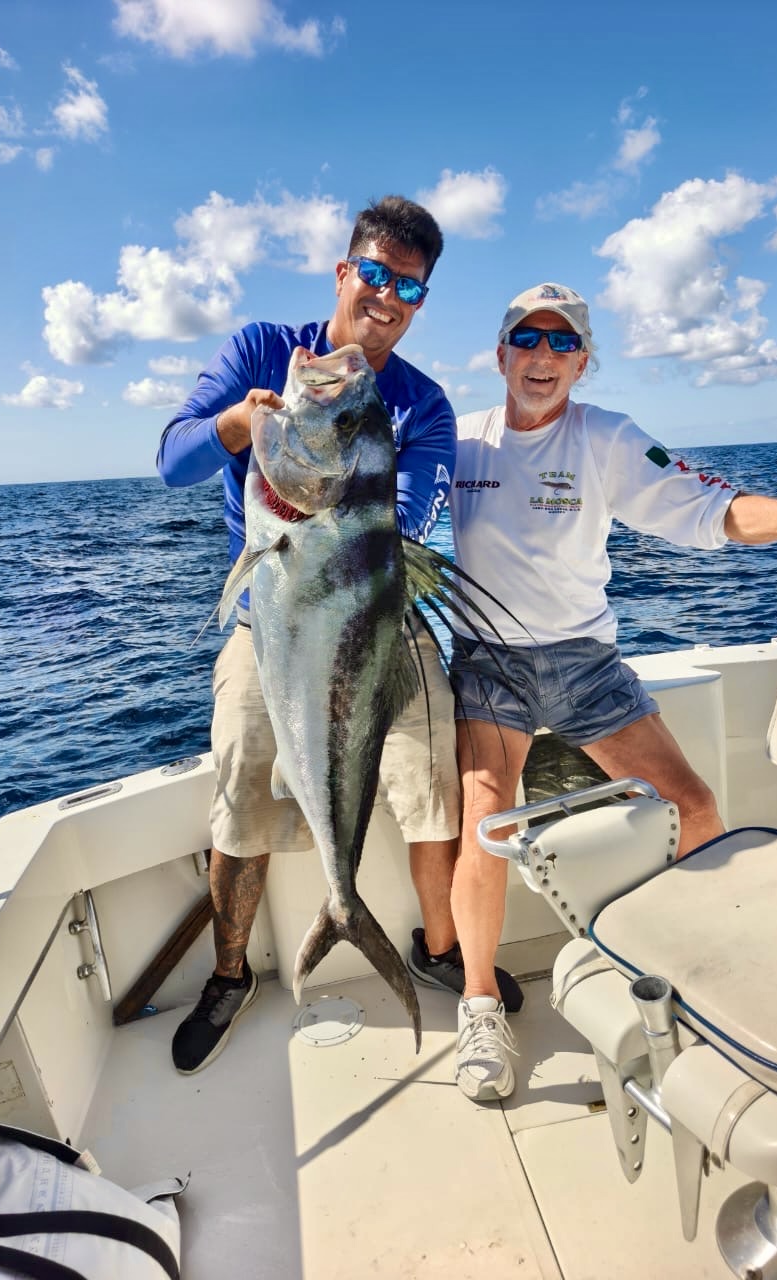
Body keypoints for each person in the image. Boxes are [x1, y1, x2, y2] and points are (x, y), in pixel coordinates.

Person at [156, 195, 522, 1076]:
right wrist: (240, 429)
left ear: (421, 299)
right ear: (343, 271)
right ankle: (233, 973)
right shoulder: (260, 350)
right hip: (272, 618)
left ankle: (437, 947)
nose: (388, 297)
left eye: (410, 285)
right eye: (376, 273)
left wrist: (339, 518)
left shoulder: (423, 404)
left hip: (380, 619)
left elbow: (416, 514)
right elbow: (172, 460)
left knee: (437, 780)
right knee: (244, 781)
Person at [446, 281, 777, 1104]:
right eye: (528, 338)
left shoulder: (608, 438)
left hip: (585, 662)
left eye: (562, 343)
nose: (542, 356)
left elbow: (709, 507)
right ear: (500, 352)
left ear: (584, 361)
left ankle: (711, 971)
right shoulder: (459, 440)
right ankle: (480, 1002)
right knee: (481, 827)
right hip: (489, 664)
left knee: (695, 807)